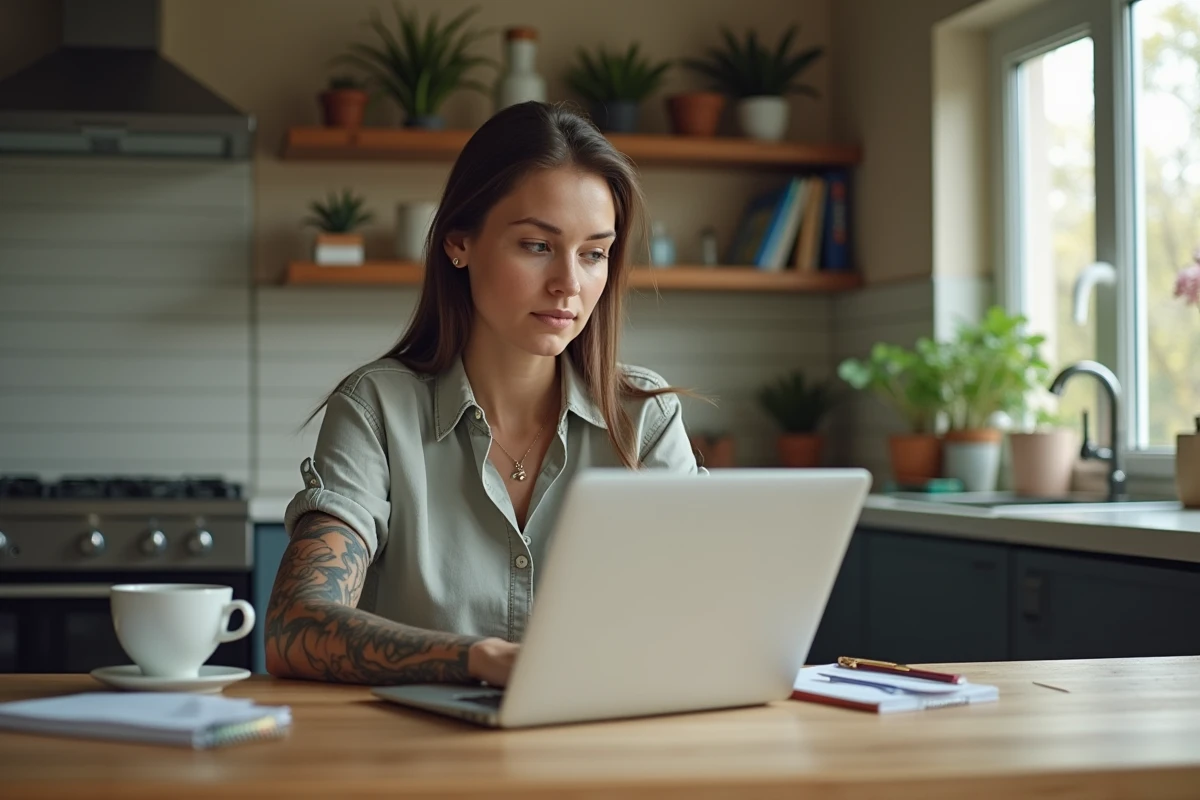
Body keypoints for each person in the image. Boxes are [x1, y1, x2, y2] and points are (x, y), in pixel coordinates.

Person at [265, 101, 705, 689]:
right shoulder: (376, 410)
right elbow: (296, 627)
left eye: (594, 253)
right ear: (459, 243)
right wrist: (480, 660)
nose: (569, 284)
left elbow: (702, 619)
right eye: (537, 246)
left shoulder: (645, 420)